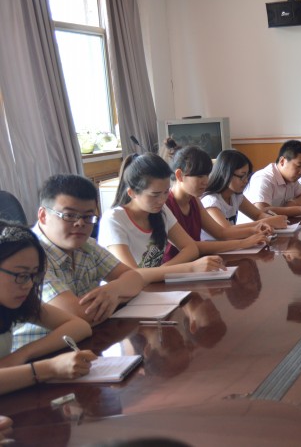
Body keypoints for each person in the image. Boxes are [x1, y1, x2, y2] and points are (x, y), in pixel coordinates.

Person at [12, 175, 144, 346]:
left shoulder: (86, 245)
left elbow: (135, 278)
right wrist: (119, 295)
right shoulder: (29, 255)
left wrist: (114, 290)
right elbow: (77, 315)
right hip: (41, 351)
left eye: (88, 217)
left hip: (86, 340)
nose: (80, 223)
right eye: (69, 215)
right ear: (43, 216)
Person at [98, 153, 225, 284]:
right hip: (123, 294)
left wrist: (161, 271)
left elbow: (190, 248)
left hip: (152, 287)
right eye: (155, 195)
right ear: (132, 193)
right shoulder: (114, 219)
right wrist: (190, 268)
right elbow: (132, 275)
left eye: (166, 192)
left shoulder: (161, 210)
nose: (162, 200)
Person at [0, 220, 95, 395]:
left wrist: (22, 354)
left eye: (33, 275)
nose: (29, 284)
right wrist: (49, 368)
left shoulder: (14, 301)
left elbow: (80, 326)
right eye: (21, 275)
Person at [165, 145, 271, 262]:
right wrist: (243, 242)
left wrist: (253, 230)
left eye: (207, 175)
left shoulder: (194, 200)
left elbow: (221, 233)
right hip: (174, 268)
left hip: (195, 263)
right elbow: (193, 246)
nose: (205, 181)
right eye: (199, 176)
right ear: (179, 175)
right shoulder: (166, 205)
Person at [201, 150, 286, 236]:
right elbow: (227, 231)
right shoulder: (211, 201)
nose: (246, 181)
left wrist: (271, 219)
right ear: (225, 173)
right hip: (216, 244)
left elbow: (258, 215)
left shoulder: (235, 195)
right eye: (242, 176)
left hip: (233, 243)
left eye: (247, 176)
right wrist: (266, 222)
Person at [245, 140, 301, 217]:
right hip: (253, 224)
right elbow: (261, 211)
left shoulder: (291, 179)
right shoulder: (264, 178)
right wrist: (299, 210)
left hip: (278, 222)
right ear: (282, 161)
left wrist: (292, 204)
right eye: (298, 166)